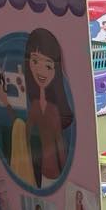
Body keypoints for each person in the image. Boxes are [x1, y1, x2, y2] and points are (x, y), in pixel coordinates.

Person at [25, 28, 72, 187]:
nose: (40, 70)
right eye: (35, 61)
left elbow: (59, 145)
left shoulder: (52, 109)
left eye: (48, 66)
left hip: (53, 172)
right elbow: (26, 135)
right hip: (42, 170)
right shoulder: (36, 106)